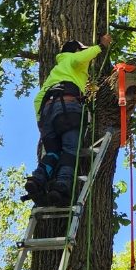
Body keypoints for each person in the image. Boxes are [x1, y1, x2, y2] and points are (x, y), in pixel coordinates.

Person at [25, 33, 111, 207]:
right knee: (70, 150)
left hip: (46, 112)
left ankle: (38, 179)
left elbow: (37, 100)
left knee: (52, 153)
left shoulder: (54, 73)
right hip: (67, 106)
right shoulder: (71, 60)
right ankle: (61, 187)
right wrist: (101, 47)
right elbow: (81, 58)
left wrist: (42, 124)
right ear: (76, 51)